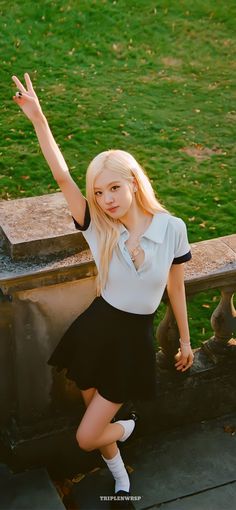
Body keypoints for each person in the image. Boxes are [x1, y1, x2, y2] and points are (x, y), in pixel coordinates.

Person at [12, 73, 194, 503]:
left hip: (131, 340)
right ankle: (120, 477)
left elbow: (176, 284)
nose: (107, 198)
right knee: (93, 418)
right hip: (96, 330)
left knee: (85, 435)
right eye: (99, 191)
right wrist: (38, 118)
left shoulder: (172, 228)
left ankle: (127, 428)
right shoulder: (98, 227)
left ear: (133, 181)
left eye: (114, 187)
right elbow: (61, 177)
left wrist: (185, 338)